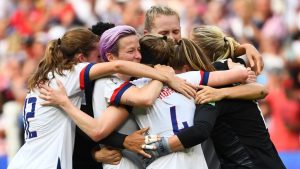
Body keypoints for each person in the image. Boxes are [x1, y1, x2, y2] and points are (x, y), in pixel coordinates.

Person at [40, 33, 250, 169]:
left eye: (138, 51)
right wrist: (236, 61)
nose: (136, 57)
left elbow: (103, 129)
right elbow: (239, 76)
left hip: (162, 160)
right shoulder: (189, 78)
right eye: (132, 52)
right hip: (194, 160)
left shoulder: (129, 90)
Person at [7, 27, 194, 169]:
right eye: (98, 56)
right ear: (81, 58)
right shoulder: (70, 73)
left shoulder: (46, 79)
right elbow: (118, 68)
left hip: (24, 160)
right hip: (46, 163)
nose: (101, 62)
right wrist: (164, 75)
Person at [144, 26, 286, 169]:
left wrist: (153, 148)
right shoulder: (232, 66)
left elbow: (200, 130)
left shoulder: (211, 87)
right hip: (270, 160)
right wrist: (245, 47)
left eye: (190, 45)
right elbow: (261, 90)